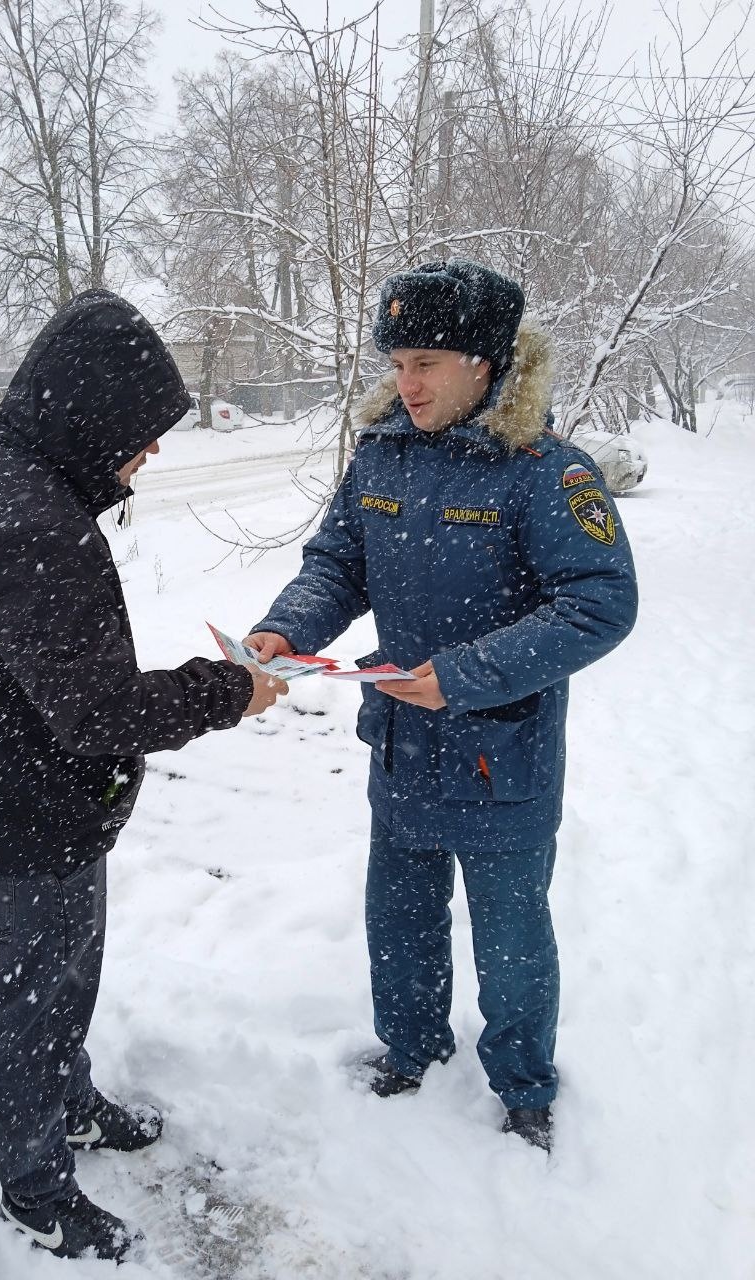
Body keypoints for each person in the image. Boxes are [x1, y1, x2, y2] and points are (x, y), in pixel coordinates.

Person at [0, 290, 287, 1260]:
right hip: (24, 820)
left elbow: (56, 683)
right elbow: (97, 711)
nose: (151, 451)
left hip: (15, 802)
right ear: (93, 411)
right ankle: (35, 1188)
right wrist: (226, 691)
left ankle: (70, 1101)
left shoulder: (6, 479)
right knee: (32, 999)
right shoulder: (28, 516)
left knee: (62, 979)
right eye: (143, 430)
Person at [246, 258, 637, 1152]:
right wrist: (283, 630)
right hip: (402, 744)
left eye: (427, 361)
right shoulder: (381, 455)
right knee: (401, 917)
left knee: (510, 942)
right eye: (397, 362)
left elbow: (600, 604)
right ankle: (410, 1049)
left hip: (504, 756)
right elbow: (337, 564)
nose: (406, 382)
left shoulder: (543, 472)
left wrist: (465, 674)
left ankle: (525, 1089)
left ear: (485, 364)